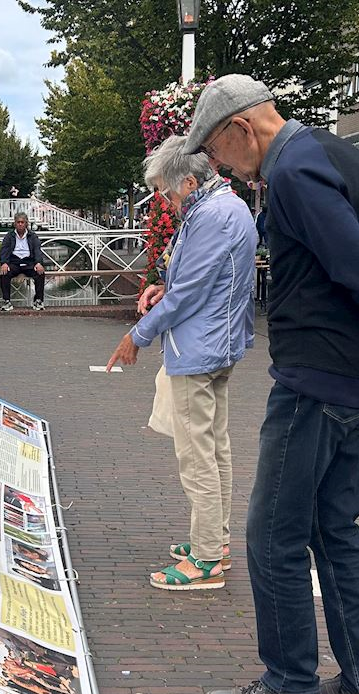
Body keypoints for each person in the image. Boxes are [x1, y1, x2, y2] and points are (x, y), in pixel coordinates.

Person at [182, 74, 359, 694]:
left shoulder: (293, 172)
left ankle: (290, 686)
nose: (219, 166)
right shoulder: (341, 154)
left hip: (315, 383)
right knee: (334, 531)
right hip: (355, 385)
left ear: (241, 127)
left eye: (214, 149)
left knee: (273, 536)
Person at [106, 135, 256, 591]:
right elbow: (198, 279)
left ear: (189, 182)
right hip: (221, 343)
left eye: (168, 193)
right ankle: (215, 542)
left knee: (197, 458)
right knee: (215, 449)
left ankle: (206, 561)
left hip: (198, 349)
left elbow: (189, 293)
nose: (167, 203)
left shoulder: (209, 216)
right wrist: (163, 286)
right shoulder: (228, 207)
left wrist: (138, 335)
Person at [0, 211, 47, 311]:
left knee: (40, 273)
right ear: (15, 223)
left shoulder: (32, 236)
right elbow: (4, 250)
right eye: (18, 222)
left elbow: (37, 250)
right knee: (4, 273)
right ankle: (6, 301)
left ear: (26, 223)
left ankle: (38, 300)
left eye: (22, 222)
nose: (20, 224)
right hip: (14, 262)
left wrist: (38, 263)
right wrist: (4, 263)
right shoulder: (9, 236)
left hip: (29, 262)